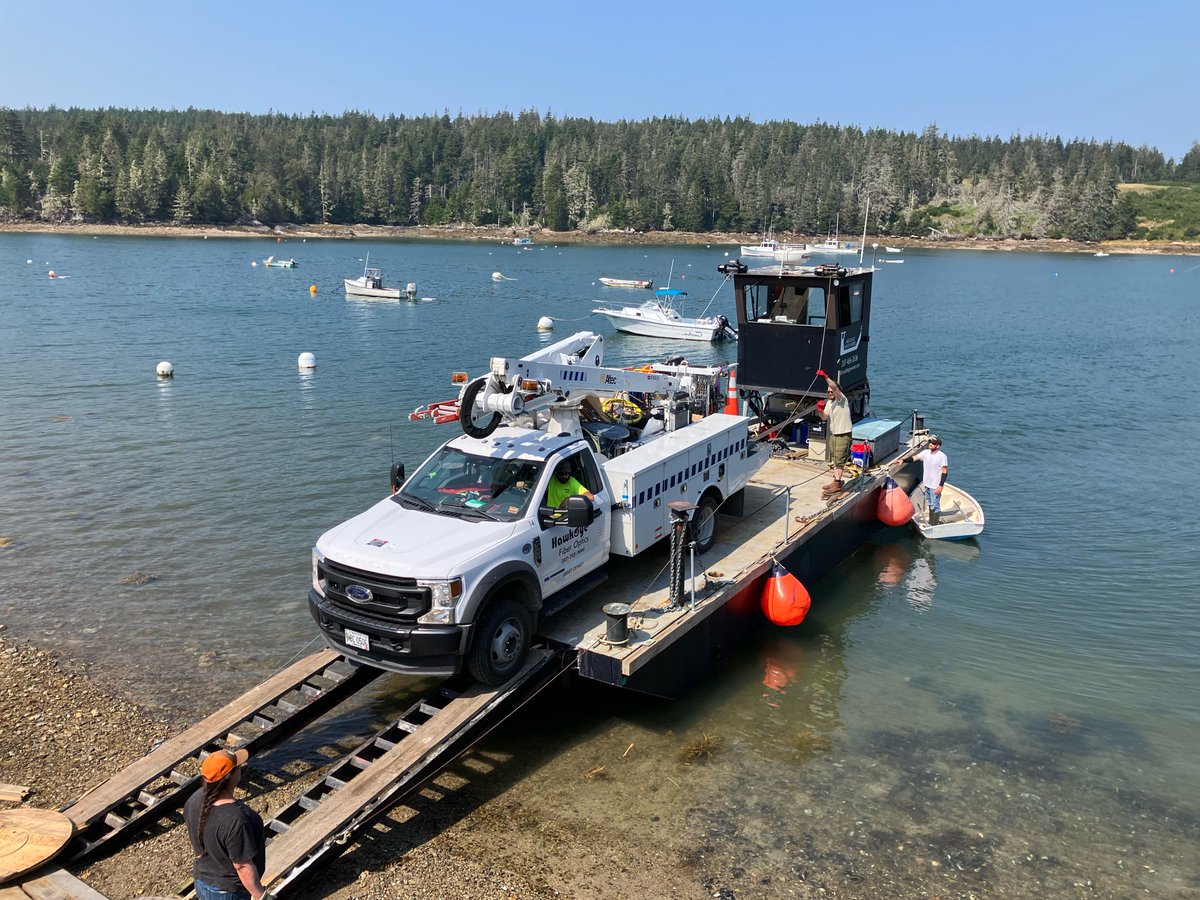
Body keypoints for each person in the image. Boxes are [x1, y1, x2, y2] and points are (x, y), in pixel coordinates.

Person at [184, 748, 268, 900]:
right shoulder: (236, 819)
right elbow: (242, 866)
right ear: (232, 776)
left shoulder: (194, 800)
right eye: (239, 767)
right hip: (229, 892)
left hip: (202, 881)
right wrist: (260, 894)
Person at [900, 434, 948, 525]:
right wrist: (903, 460)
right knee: (930, 503)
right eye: (930, 442)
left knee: (935, 505)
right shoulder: (925, 452)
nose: (930, 444)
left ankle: (934, 524)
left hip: (935, 485)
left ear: (938, 446)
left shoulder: (942, 456)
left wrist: (940, 486)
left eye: (933, 443)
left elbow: (945, 471)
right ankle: (931, 522)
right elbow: (914, 458)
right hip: (927, 483)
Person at [816, 376, 852, 496]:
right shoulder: (829, 403)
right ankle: (836, 480)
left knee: (840, 460)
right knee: (835, 460)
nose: (830, 393)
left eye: (831, 391)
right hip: (834, 435)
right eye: (828, 392)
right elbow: (824, 417)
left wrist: (825, 377)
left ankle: (837, 484)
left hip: (843, 434)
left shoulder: (842, 400)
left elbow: (834, 387)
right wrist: (820, 410)